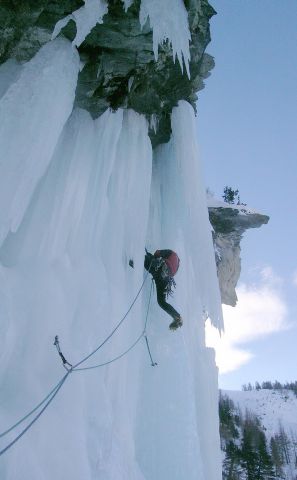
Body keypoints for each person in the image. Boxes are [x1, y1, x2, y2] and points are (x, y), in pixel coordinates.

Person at [144, 249, 183, 330]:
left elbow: (158, 253)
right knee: (161, 302)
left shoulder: (171, 253)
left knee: (143, 260)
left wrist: (151, 256)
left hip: (160, 269)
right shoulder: (176, 266)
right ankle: (176, 316)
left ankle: (130, 260)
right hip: (165, 281)